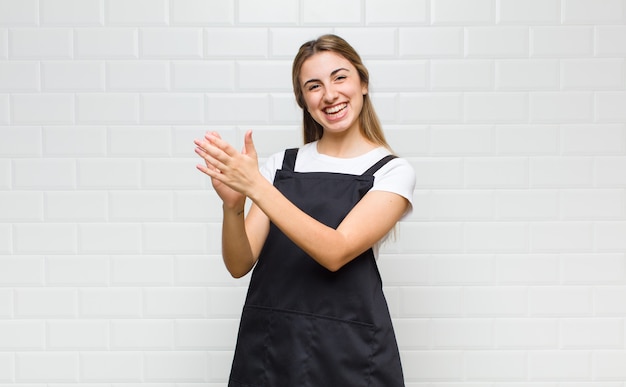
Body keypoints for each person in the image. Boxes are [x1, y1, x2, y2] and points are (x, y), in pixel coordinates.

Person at [194, 34, 415, 387]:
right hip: (271, 345)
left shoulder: (390, 171)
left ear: (363, 83)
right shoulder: (281, 165)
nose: (329, 94)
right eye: (314, 86)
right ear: (304, 101)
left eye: (340, 77)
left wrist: (256, 187)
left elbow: (335, 251)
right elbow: (239, 264)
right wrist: (233, 207)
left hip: (349, 351)